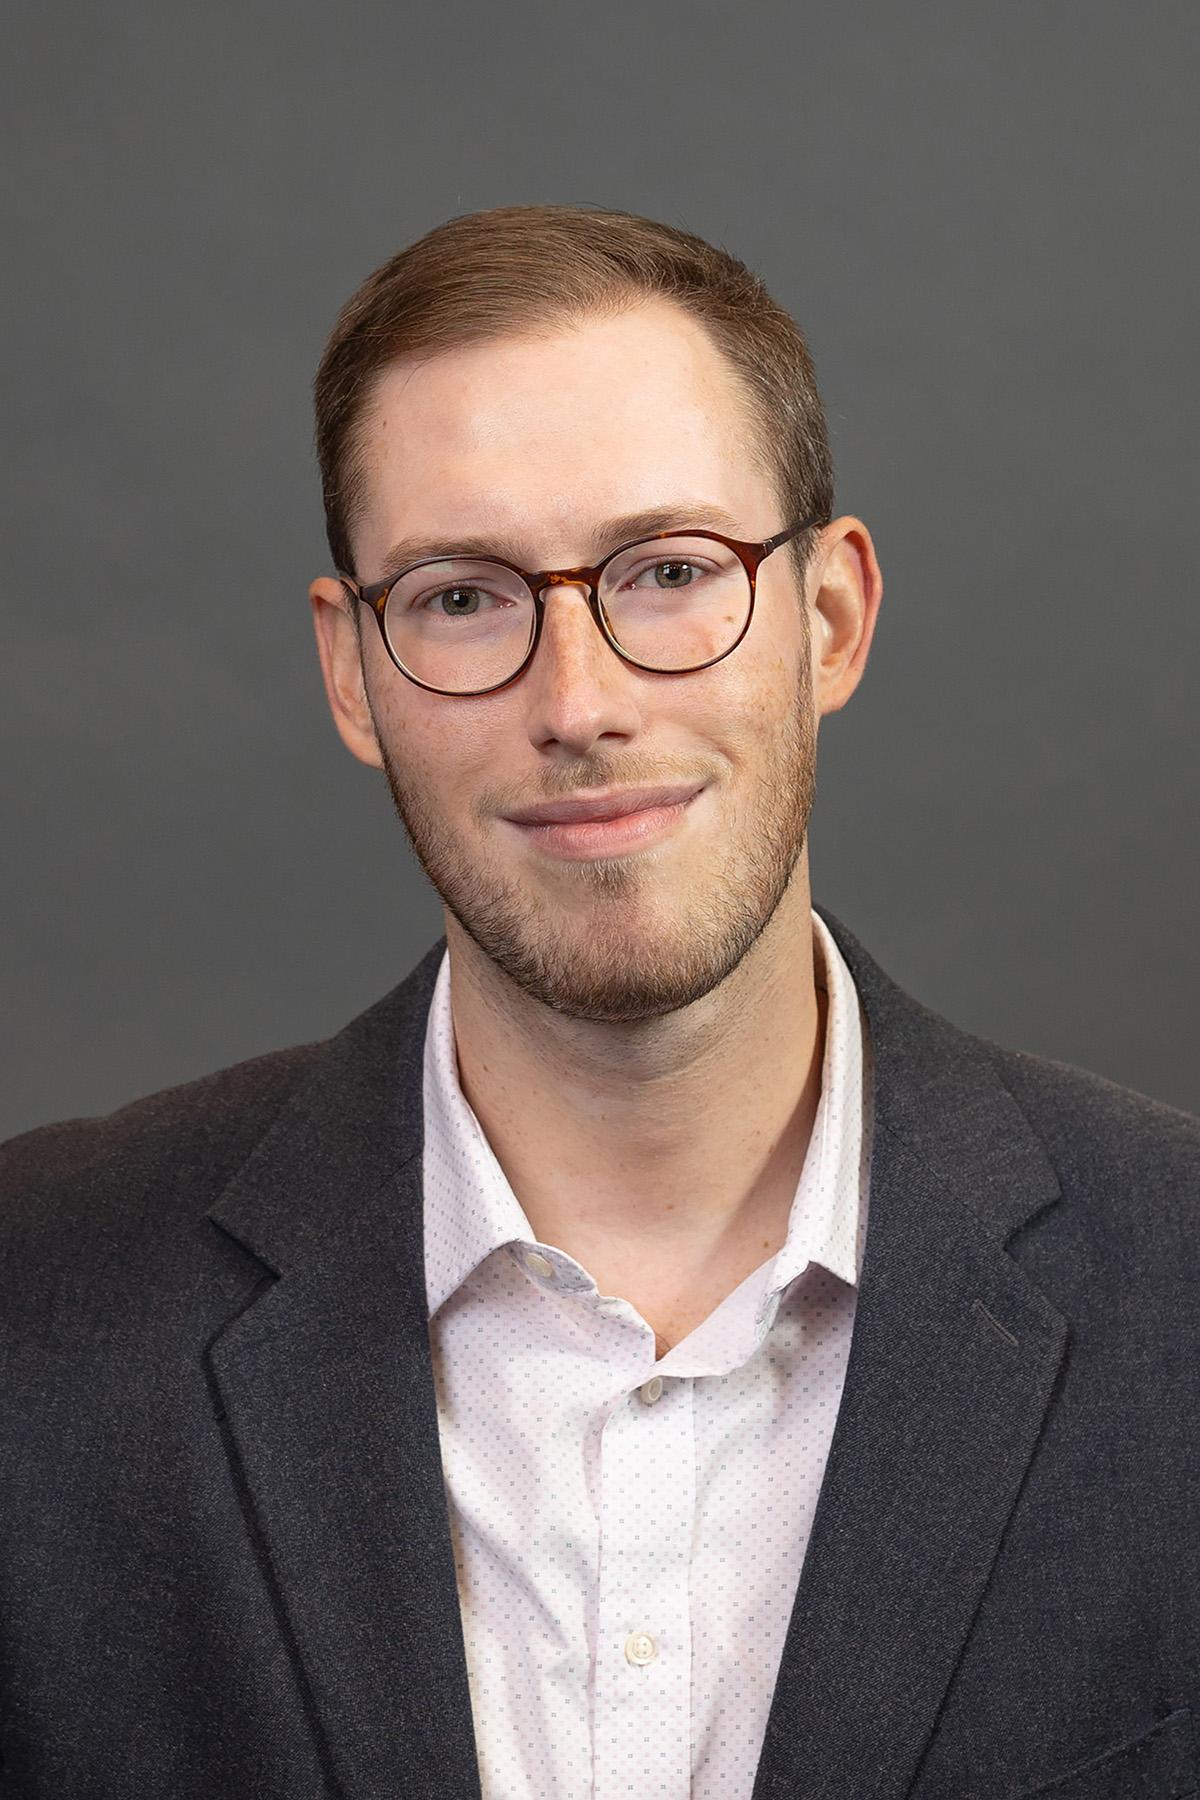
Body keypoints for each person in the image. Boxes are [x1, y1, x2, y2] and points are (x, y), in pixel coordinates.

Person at [1, 203, 1196, 1800]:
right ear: (353, 670)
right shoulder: (37, 1311)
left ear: (830, 619)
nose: (580, 703)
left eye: (671, 570)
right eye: (463, 597)